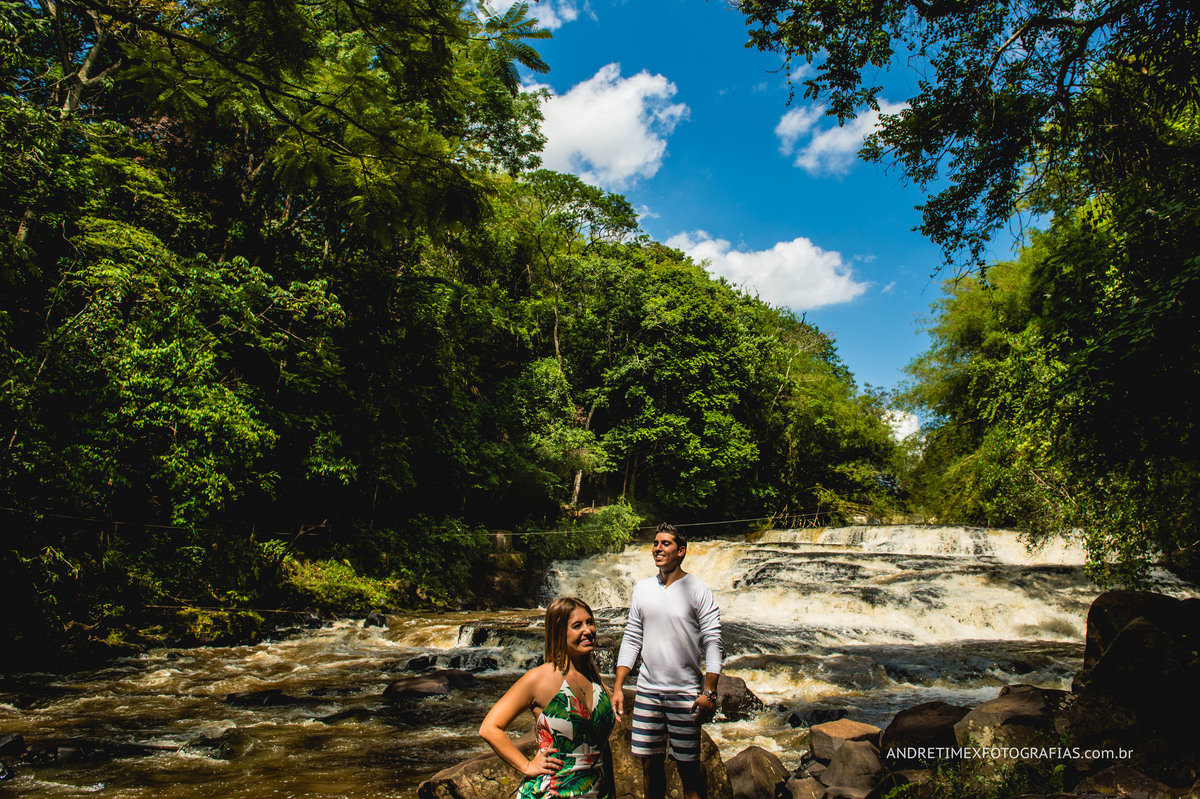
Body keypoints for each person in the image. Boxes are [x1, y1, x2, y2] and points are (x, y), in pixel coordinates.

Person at [614, 523, 722, 799]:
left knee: (688, 770)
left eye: (665, 544)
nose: (657, 548)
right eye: (655, 543)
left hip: (684, 693)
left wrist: (709, 691)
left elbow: (713, 641)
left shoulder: (698, 589)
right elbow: (632, 638)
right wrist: (618, 686)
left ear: (681, 551)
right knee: (649, 767)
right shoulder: (642, 589)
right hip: (647, 692)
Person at [480, 597, 616, 799]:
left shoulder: (596, 680)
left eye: (590, 622)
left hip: (596, 792)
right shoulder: (540, 679)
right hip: (553, 792)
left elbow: (602, 747)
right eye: (577, 625)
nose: (588, 630)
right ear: (559, 632)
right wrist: (527, 766)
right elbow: (489, 728)